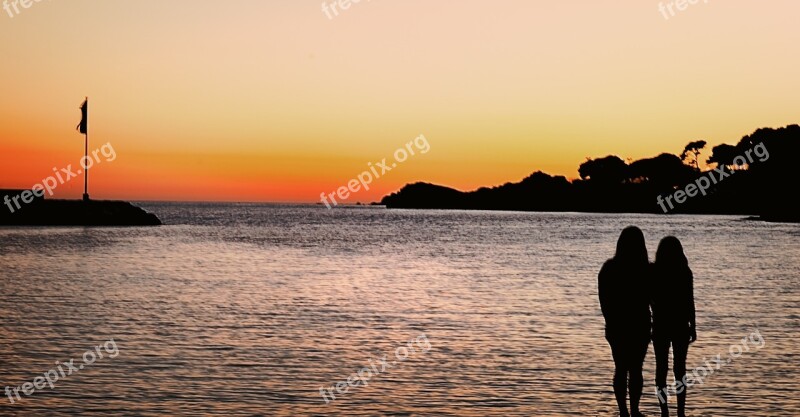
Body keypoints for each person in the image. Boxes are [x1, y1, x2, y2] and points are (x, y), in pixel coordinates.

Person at [599, 226, 652, 417]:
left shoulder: (609, 268)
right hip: (639, 325)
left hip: (617, 326)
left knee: (621, 368)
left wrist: (610, 321)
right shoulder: (646, 270)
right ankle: (634, 410)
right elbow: (653, 299)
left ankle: (624, 411)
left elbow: (603, 299)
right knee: (635, 369)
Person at [651, 236, 696, 417]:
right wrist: (693, 326)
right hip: (680, 325)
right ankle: (681, 412)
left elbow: (649, 299)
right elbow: (689, 301)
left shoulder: (654, 272)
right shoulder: (684, 272)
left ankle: (664, 412)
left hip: (660, 324)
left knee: (661, 370)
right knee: (680, 370)